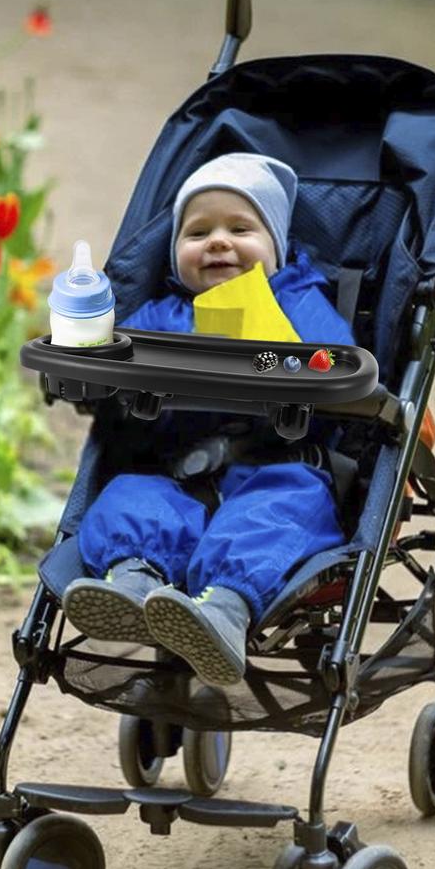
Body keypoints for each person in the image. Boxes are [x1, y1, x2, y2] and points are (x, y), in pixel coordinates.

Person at [62, 152, 355, 687]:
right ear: (175, 255)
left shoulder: (298, 300)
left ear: (278, 246)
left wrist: (271, 360)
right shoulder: (162, 316)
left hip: (278, 468)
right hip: (177, 474)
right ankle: (131, 583)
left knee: (273, 517)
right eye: (198, 232)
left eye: (240, 228)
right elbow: (112, 356)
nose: (218, 241)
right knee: (130, 496)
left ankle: (223, 609)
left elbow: (333, 360)